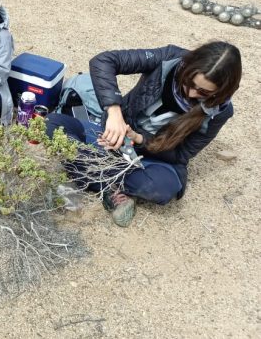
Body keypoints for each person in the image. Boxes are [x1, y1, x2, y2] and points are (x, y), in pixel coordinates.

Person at [46, 41, 242, 227]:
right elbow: (104, 61)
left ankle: (88, 171)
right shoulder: (169, 59)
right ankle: (110, 183)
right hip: (117, 136)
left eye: (204, 93)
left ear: (221, 92)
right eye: (190, 82)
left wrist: (140, 139)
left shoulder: (219, 112)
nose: (191, 93)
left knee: (163, 187)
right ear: (187, 66)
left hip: (153, 158)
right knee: (51, 123)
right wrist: (115, 113)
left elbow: (182, 155)